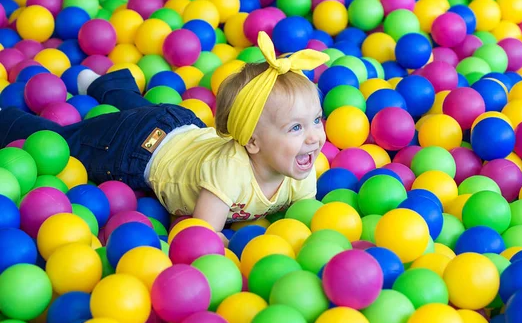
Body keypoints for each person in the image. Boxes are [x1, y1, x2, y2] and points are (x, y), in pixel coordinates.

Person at [0, 31, 329, 243]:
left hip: (180, 123)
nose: (314, 137)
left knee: (139, 110)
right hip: (142, 147)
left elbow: (306, 219)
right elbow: (203, 233)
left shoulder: (300, 166)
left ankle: (106, 86)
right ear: (252, 142)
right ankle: (10, 121)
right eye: (296, 128)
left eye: (317, 119)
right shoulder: (230, 172)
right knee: (68, 143)